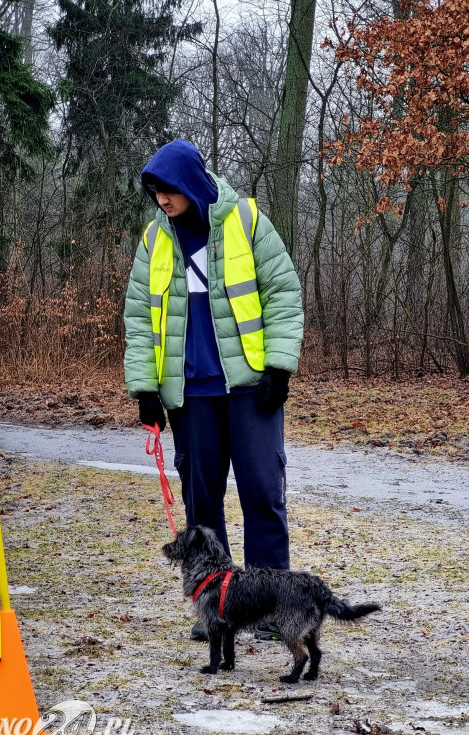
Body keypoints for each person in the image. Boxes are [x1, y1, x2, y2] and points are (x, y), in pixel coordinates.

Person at [123, 139, 304, 640]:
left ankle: (273, 611)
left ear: (192, 184)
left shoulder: (246, 222)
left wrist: (279, 368)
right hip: (190, 395)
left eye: (168, 190)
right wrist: (145, 389)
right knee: (202, 508)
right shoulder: (153, 240)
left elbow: (284, 293)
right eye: (154, 192)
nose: (161, 200)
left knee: (263, 497)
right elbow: (139, 319)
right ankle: (215, 610)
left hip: (251, 389)